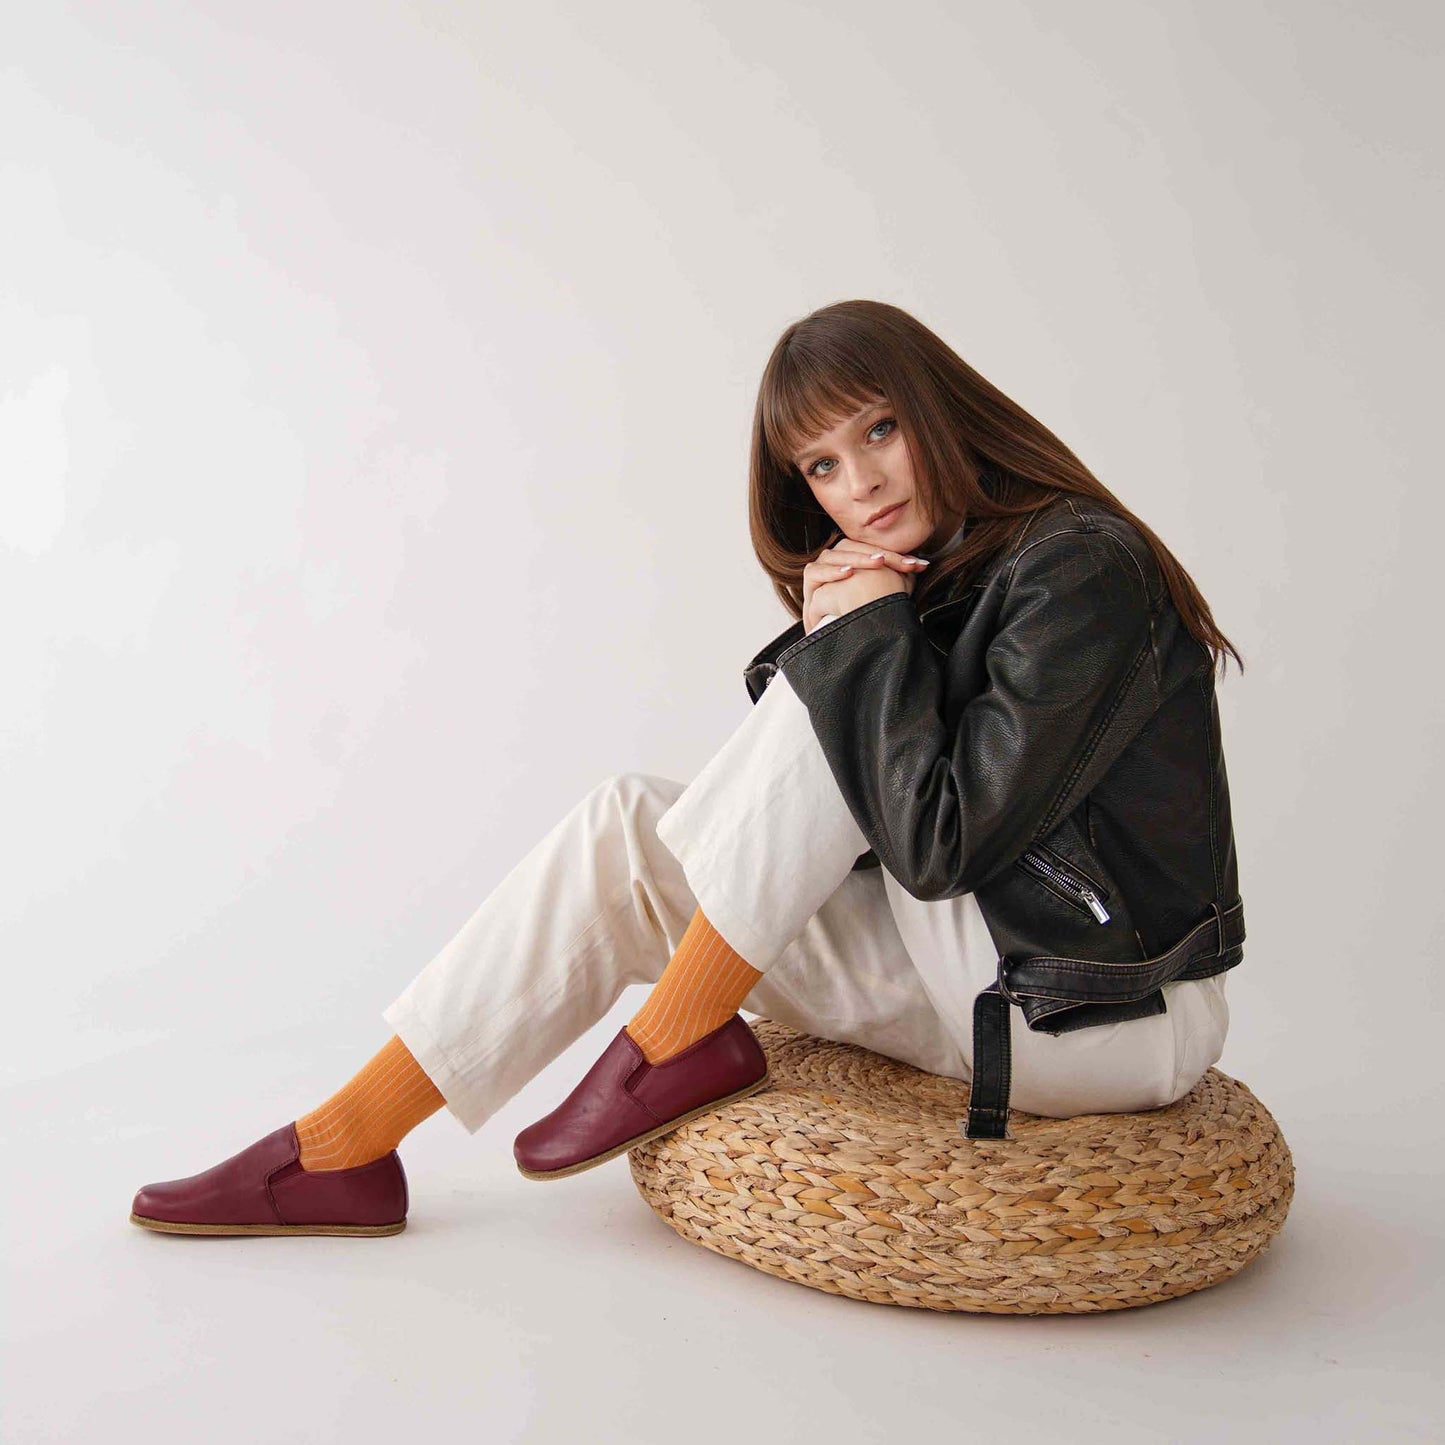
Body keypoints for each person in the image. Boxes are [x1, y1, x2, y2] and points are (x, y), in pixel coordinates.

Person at [129, 299, 1246, 1236]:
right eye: (819, 462)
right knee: (627, 823)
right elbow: (832, 827)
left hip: (1100, 1012)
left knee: (830, 693)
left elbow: (938, 843)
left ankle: (670, 1038)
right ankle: (346, 1147)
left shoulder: (1078, 567)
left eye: (878, 430)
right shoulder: (939, 570)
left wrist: (854, 644)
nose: (855, 479)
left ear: (939, 410)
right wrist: (857, 637)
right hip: (975, 980)